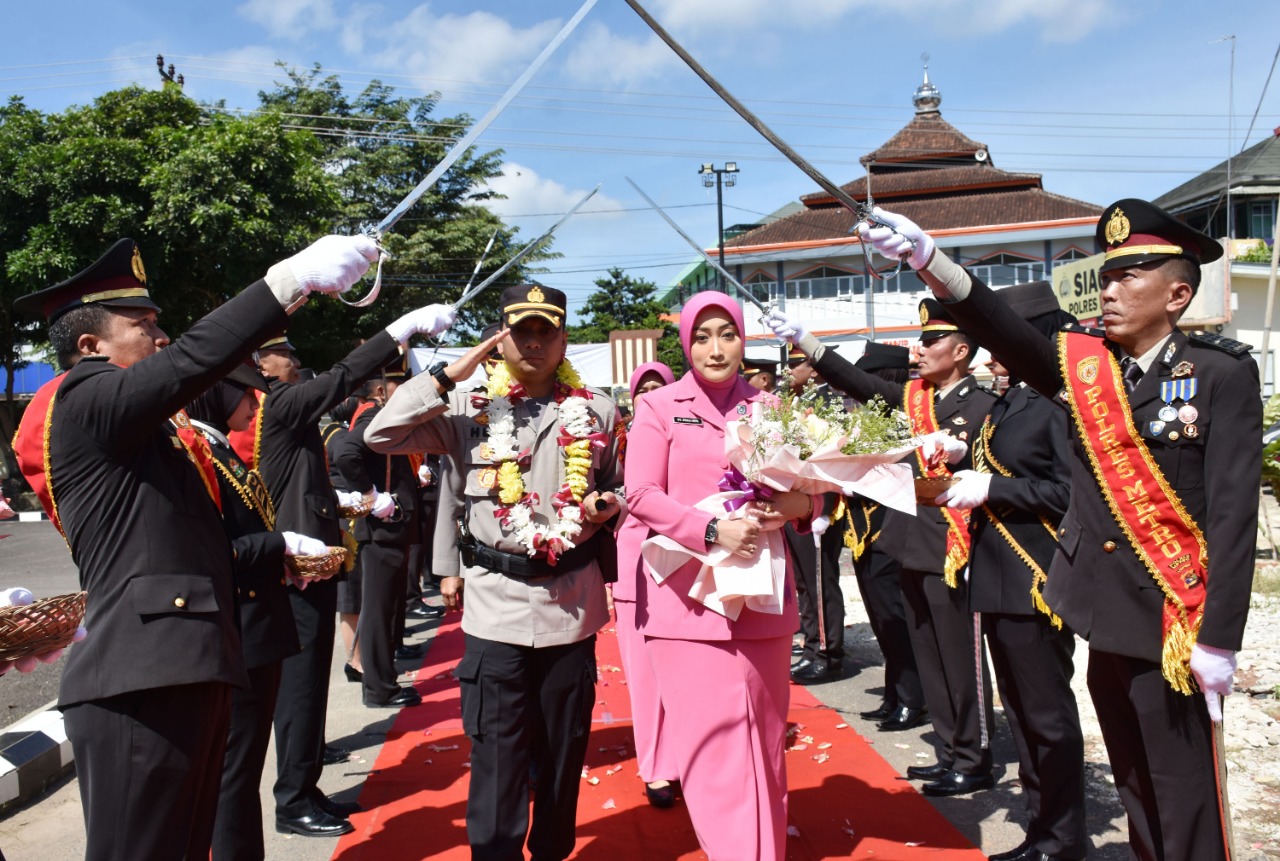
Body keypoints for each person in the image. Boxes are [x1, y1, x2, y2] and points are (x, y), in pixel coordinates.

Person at [859, 199, 1257, 861]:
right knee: (1135, 788)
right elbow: (1009, 332)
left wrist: (1219, 637)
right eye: (1107, 275)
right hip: (1107, 619)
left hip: (1173, 626)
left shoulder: (1218, 374)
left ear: (1178, 292)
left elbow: (1233, 518)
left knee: (1185, 795)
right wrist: (934, 263)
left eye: (1133, 275)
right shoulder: (1089, 372)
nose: (1110, 289)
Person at [10, 233, 376, 860]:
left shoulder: (152, 433)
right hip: (141, 679)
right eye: (143, 323)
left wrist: (275, 552)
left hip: (189, 664)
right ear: (89, 345)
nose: (161, 336)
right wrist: (285, 284)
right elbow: (190, 362)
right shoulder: (82, 396)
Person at [365, 285, 626, 861]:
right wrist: (445, 376)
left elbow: (613, 485)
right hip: (495, 605)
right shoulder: (465, 408)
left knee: (562, 754)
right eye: (521, 332)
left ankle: (553, 850)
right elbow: (379, 434)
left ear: (563, 339)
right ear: (499, 338)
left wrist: (607, 506)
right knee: (498, 757)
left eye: (546, 332)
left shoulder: (599, 410)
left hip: (570, 607)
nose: (534, 343)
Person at [767, 298, 997, 795]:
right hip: (911, 543)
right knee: (931, 657)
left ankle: (974, 754)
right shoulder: (917, 398)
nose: (920, 348)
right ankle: (948, 749)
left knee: (961, 661)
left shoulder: (982, 406)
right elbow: (861, 384)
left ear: (960, 350)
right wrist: (805, 342)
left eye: (932, 341)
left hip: (957, 550)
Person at [626, 291, 816, 860]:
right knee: (712, 753)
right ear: (686, 342)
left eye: (727, 334)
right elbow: (640, 493)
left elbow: (813, 497)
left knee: (764, 743)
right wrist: (710, 532)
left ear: (743, 339)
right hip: (687, 607)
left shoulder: (772, 406)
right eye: (703, 336)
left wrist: (791, 510)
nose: (715, 348)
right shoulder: (660, 407)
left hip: (761, 600)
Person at [256, 306, 455, 838]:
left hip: (315, 563)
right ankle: (292, 798)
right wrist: (397, 331)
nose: (295, 363)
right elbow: (341, 381)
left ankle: (306, 783)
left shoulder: (281, 413)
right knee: (298, 688)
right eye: (285, 355)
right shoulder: (278, 409)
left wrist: (345, 504)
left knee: (309, 686)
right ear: (261, 364)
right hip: (294, 570)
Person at [937, 281, 1086, 861]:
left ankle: (1064, 837)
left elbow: (1070, 491)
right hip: (997, 575)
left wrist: (993, 485)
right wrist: (959, 456)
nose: (993, 351)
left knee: (1047, 716)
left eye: (1001, 337)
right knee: (1021, 715)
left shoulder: (1056, 401)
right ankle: (1041, 828)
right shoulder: (1009, 400)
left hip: (1037, 576)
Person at [185, 363, 326, 861]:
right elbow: (211, 550)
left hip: (258, 624)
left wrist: (283, 562)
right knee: (233, 774)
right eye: (245, 392)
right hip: (238, 629)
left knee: (241, 772)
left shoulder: (217, 447)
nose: (254, 402)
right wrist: (278, 545)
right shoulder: (193, 451)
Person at [838, 343, 926, 725]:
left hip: (891, 534)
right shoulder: (866, 421)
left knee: (897, 620)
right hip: (863, 533)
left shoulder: (903, 420)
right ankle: (895, 693)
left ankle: (912, 697)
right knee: (882, 620)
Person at [331, 356, 424, 710]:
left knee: (383, 610)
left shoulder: (381, 413)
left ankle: (382, 682)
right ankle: (379, 687)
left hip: (389, 528)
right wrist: (371, 496)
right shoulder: (375, 414)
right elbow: (346, 452)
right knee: (378, 612)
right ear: (384, 390)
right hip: (383, 527)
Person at [615, 361, 679, 807]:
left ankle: (685, 759)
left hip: (682, 560)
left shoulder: (685, 433)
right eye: (643, 388)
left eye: (659, 387)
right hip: (633, 561)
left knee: (683, 674)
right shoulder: (609, 440)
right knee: (643, 675)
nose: (649, 394)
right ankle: (655, 767)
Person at [784, 345, 847, 683]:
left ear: (815, 369)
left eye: (798, 364)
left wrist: (827, 504)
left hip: (820, 504)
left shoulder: (827, 404)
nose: (791, 370)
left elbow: (837, 457)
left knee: (821, 580)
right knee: (805, 583)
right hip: (796, 504)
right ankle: (813, 646)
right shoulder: (791, 404)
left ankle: (828, 653)